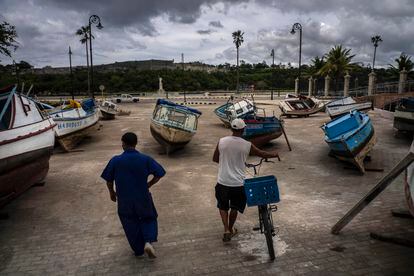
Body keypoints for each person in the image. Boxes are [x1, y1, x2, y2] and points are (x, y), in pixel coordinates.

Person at [213, 118, 279, 242]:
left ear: (232, 129)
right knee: (234, 207)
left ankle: (226, 229)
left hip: (223, 181)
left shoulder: (222, 141)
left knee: (222, 206)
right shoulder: (247, 144)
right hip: (238, 184)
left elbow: (215, 159)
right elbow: (262, 153)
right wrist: (274, 154)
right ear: (243, 129)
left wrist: (227, 163)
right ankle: (231, 228)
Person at [101, 132, 166, 258]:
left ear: (123, 144)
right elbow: (159, 173)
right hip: (142, 197)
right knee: (148, 218)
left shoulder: (116, 160)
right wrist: (149, 184)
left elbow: (109, 180)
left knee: (129, 222)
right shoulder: (145, 159)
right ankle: (148, 241)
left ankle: (138, 249)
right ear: (136, 144)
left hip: (124, 199)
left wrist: (112, 193)